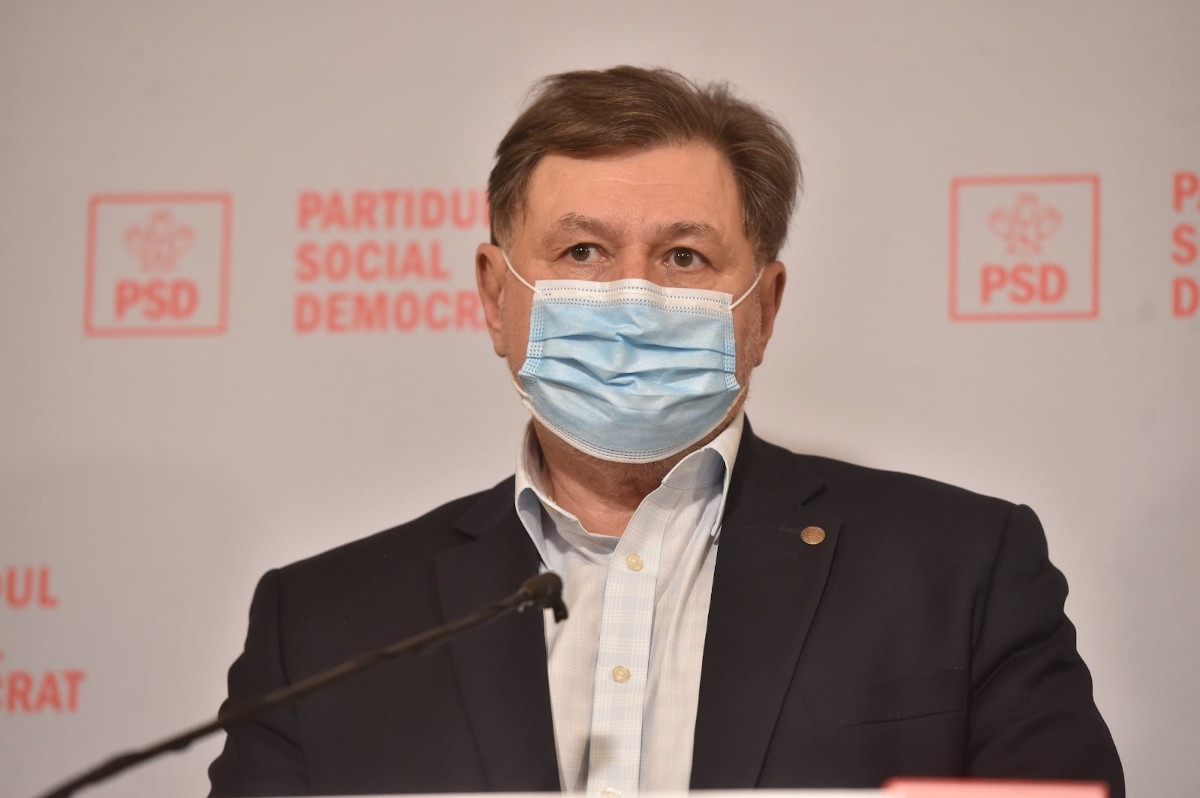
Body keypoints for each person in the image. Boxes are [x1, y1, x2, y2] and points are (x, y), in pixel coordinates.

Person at [208, 66, 1123, 797]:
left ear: (762, 310)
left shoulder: (961, 573)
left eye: (684, 256)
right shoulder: (320, 627)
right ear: (494, 296)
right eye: (582, 252)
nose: (632, 297)